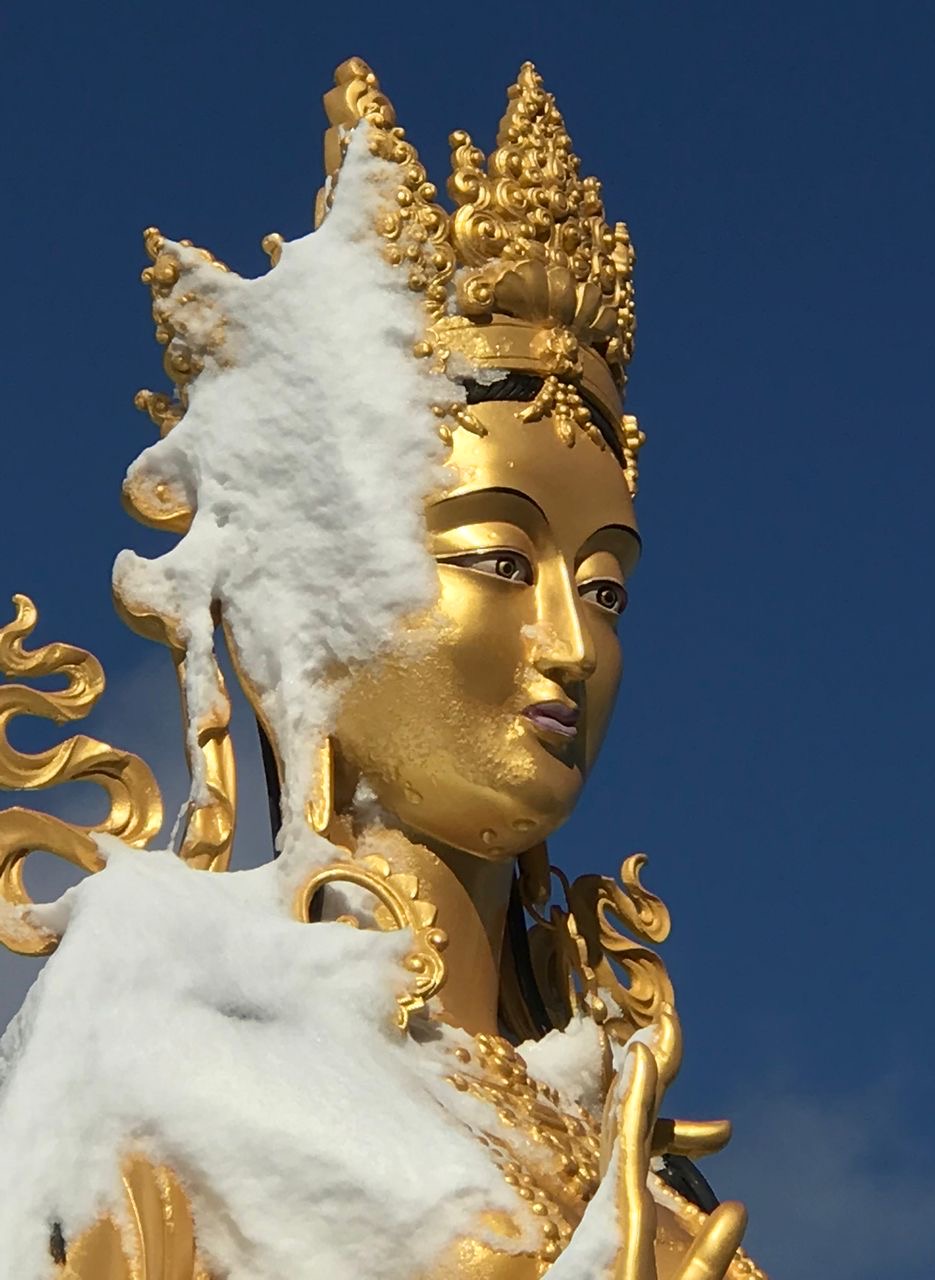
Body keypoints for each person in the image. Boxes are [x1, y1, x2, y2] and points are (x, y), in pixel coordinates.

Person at [0, 58, 767, 1280]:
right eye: (502, 561)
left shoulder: (639, 1154)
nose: (572, 646)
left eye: (606, 585)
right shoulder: (164, 1064)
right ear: (295, 609)